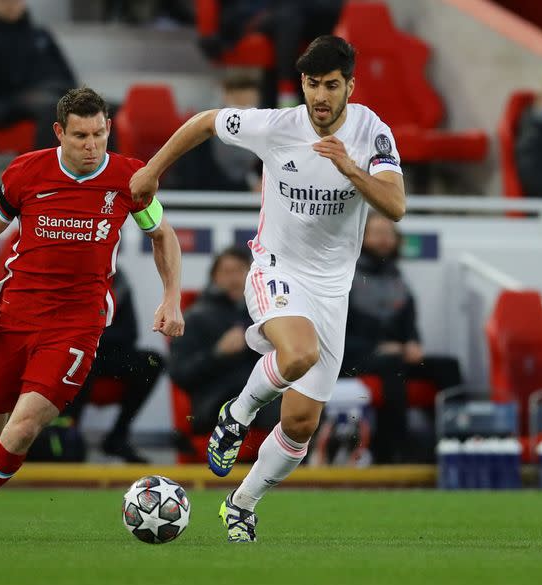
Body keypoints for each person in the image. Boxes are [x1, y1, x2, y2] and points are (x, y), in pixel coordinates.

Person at [130, 35, 406, 542]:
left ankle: (241, 503)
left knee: (301, 423)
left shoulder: (371, 131)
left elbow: (395, 205)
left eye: (330, 85)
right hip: (275, 268)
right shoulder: (279, 126)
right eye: (310, 85)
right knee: (297, 353)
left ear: (350, 86)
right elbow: (206, 121)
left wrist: (349, 167)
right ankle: (236, 415)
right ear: (300, 84)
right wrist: (151, 169)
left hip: (331, 291)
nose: (319, 97)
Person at [0, 87, 184, 540]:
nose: (91, 145)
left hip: (76, 326)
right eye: (80, 136)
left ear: (108, 129)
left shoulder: (130, 178)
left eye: (99, 134)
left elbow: (164, 236)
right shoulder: (26, 171)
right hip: (15, 316)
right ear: (60, 132)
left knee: (22, 429)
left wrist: (171, 296)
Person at [341, 211, 462, 463]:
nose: (384, 240)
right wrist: (380, 348)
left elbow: (409, 323)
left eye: (388, 234)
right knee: (392, 365)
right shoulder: (344, 277)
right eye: (376, 234)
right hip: (355, 357)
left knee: (449, 367)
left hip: (395, 355)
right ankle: (393, 450)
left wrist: (413, 343)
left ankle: (455, 444)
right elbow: (338, 332)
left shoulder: (398, 278)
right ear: (361, 238)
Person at [169, 246, 280, 434]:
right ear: (214, 278)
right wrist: (218, 353)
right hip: (214, 404)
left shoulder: (267, 314)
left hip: (261, 397)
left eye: (240, 271)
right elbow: (180, 374)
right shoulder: (196, 317)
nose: (234, 279)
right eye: (227, 272)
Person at [65, 271, 165, 463]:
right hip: (74, 352)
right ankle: (68, 437)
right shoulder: (70, 274)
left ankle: (118, 436)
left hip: (106, 352)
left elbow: (129, 333)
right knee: (80, 362)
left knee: (151, 362)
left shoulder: (119, 281)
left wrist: (92, 335)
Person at [0, 0, 78, 150]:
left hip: (53, 93)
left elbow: (68, 75)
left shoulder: (40, 34)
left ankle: (104, 168)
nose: (11, 5)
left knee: (99, 107)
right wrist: (1, 111)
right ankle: (45, 170)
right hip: (12, 103)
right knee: (53, 109)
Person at [198, 0, 346, 108]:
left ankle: (315, 93)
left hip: (294, 11)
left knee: (326, 8)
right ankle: (287, 92)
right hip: (253, 13)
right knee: (289, 17)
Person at [169, 73, 262, 192]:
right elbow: (193, 177)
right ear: (226, 97)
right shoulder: (202, 130)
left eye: (250, 105)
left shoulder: (263, 130)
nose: (243, 112)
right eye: (239, 104)